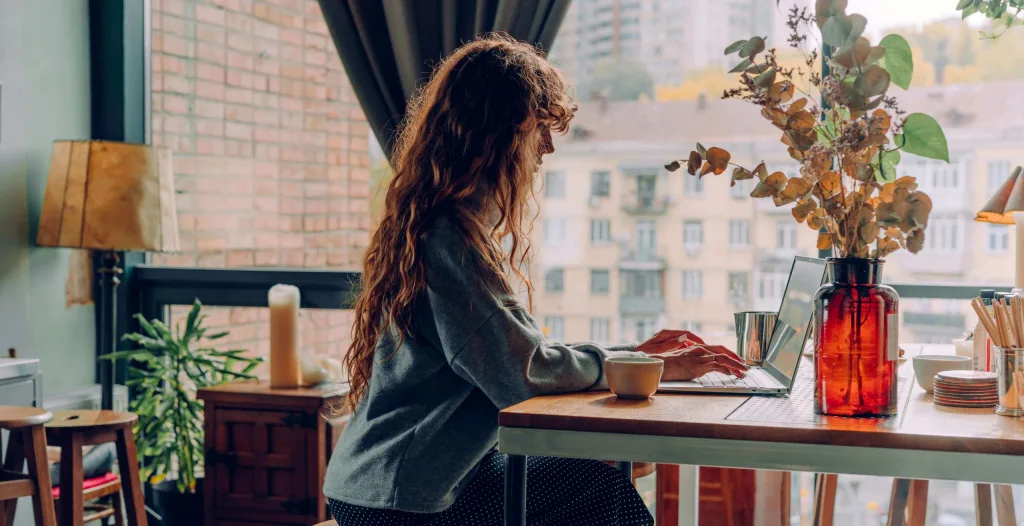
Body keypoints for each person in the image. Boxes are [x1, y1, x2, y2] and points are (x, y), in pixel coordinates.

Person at [324, 33, 748, 526]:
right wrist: (646, 365)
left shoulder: (443, 227)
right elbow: (521, 374)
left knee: (584, 476)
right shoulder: (448, 242)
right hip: (401, 499)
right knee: (599, 488)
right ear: (495, 133)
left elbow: (517, 356)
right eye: (539, 129)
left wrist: (633, 357)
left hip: (387, 484)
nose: (546, 148)